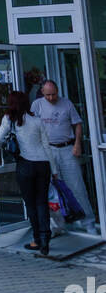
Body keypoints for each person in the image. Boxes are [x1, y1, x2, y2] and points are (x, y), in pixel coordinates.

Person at [0, 89, 59, 256]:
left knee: (31, 204)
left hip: (25, 165)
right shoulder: (37, 120)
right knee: (42, 202)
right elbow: (47, 146)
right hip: (43, 164)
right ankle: (45, 240)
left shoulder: (10, 119)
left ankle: (37, 240)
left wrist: (3, 146)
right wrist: (54, 170)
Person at [31, 80, 96, 225]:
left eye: (54, 94)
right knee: (52, 191)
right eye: (48, 95)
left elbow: (77, 124)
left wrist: (77, 144)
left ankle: (88, 223)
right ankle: (59, 226)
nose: (51, 98)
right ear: (42, 92)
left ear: (58, 91)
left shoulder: (66, 103)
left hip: (67, 149)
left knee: (77, 186)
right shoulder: (37, 105)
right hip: (47, 151)